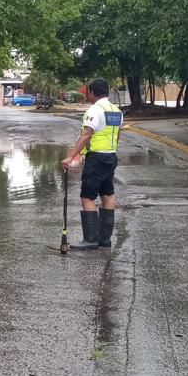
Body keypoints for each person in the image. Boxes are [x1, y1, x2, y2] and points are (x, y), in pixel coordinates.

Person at [60, 78, 122, 250]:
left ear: (92, 92)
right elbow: (117, 135)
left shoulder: (95, 110)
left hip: (97, 158)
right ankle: (104, 239)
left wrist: (71, 156)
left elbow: (87, 134)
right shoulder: (116, 111)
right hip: (111, 156)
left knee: (87, 196)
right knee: (107, 193)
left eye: (88, 92)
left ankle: (91, 240)